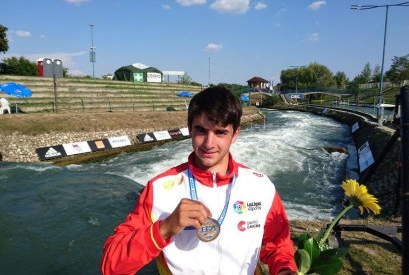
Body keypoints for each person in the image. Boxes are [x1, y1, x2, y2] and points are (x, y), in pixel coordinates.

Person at [101, 86, 297, 275]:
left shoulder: (261, 187)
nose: (209, 143)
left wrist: (284, 269)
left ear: (235, 134)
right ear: (190, 129)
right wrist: (164, 228)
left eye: (220, 132)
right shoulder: (159, 189)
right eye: (201, 130)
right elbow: (111, 266)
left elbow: (279, 246)